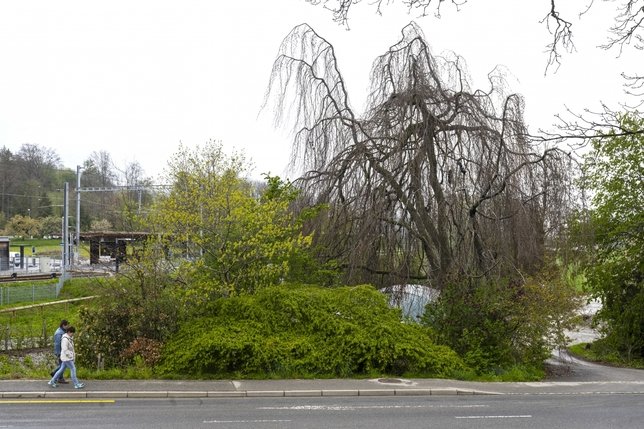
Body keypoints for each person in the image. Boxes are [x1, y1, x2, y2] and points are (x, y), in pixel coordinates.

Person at [50, 320, 69, 384]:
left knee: (63, 365)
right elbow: (57, 344)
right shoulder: (59, 333)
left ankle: (58, 376)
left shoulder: (62, 331)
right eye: (67, 325)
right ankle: (57, 375)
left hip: (63, 351)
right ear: (63, 325)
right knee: (63, 365)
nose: (68, 326)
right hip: (60, 352)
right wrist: (59, 353)